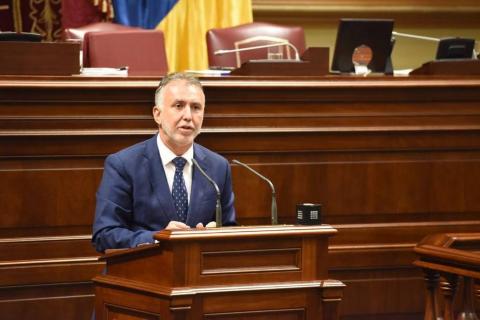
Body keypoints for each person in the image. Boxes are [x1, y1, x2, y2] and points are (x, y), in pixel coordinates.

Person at [92, 72, 236, 253]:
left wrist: (212, 235)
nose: (188, 116)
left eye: (196, 107)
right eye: (178, 106)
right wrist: (158, 238)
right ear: (157, 114)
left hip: (198, 276)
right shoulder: (123, 165)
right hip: (141, 274)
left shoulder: (218, 167)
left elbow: (230, 229)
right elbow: (104, 235)